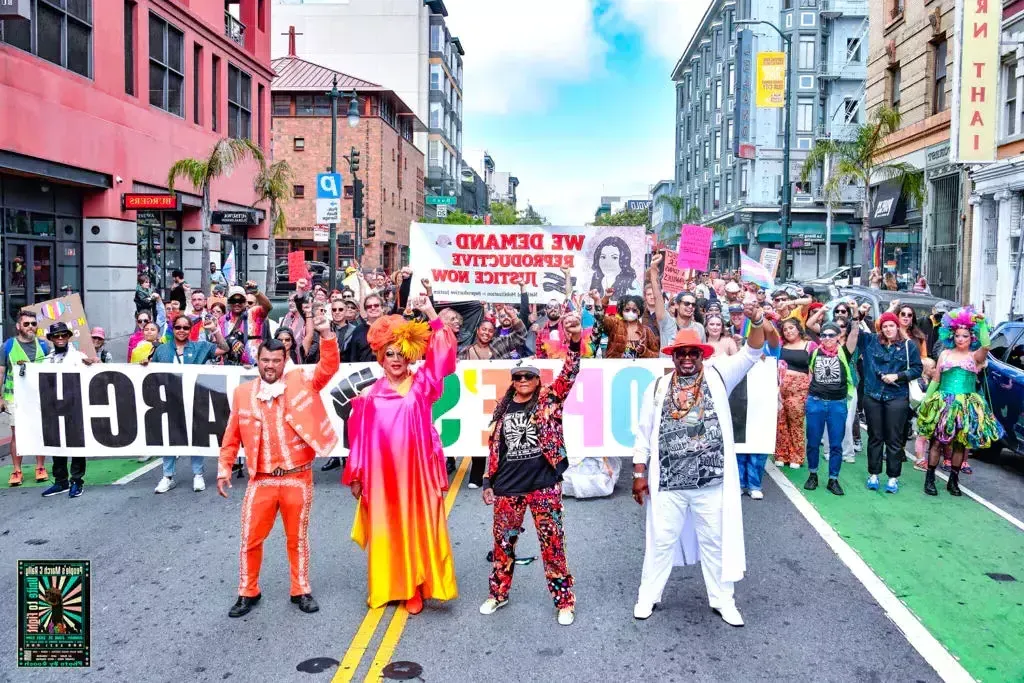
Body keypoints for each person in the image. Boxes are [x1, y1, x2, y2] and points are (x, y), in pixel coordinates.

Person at [631, 306, 768, 627]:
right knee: (660, 540)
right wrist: (639, 474)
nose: (687, 358)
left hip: (711, 481)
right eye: (681, 353)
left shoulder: (721, 375)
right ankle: (647, 596)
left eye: (693, 352)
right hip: (668, 482)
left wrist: (758, 321)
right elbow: (642, 434)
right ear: (673, 357)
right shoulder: (657, 387)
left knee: (714, 541)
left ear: (702, 355)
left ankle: (724, 601)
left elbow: (754, 350)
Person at [217, 311, 338, 618]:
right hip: (262, 479)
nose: (270, 366)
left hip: (297, 476)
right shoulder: (243, 393)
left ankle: (301, 590)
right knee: (250, 538)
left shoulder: (300, 380)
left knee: (297, 538)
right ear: (257, 361)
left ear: (285, 361)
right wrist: (224, 467)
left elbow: (328, 367)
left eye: (276, 360)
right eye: (265, 361)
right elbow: (231, 434)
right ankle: (248, 591)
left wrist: (326, 335)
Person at [343, 297, 458, 615]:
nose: (395, 359)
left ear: (409, 355)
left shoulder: (423, 384)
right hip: (382, 476)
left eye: (400, 354)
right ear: (381, 357)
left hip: (417, 473)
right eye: (389, 353)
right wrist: (357, 475)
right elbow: (360, 440)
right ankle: (391, 585)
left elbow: (444, 356)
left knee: (416, 525)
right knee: (388, 527)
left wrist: (431, 313)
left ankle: (416, 587)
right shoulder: (369, 395)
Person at [479, 312, 584, 626]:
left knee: (553, 546)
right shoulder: (502, 407)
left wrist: (575, 340)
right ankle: (498, 594)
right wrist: (487, 481)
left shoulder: (550, 399)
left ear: (538, 380)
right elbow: (495, 447)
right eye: (518, 376)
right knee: (503, 546)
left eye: (528, 376)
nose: (522, 381)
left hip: (543, 486)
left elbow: (571, 370)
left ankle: (564, 601)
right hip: (508, 489)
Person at [916, 308, 1001, 497]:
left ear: (971, 338)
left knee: (959, 444)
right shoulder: (945, 354)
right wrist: (927, 400)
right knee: (937, 442)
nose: (960, 339)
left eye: (964, 336)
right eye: (957, 336)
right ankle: (930, 478)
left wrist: (982, 323)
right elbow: (937, 379)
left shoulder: (975, 356)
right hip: (944, 403)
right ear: (951, 336)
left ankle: (953, 480)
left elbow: (986, 345)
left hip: (965, 405)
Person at [152, 314, 229, 494]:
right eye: (178, 327)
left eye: (186, 328)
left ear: (190, 330)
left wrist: (215, 330)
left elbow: (224, 348)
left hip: (195, 399)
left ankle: (198, 474)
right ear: (172, 328)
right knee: (170, 438)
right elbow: (152, 373)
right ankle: (167, 476)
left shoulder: (200, 347)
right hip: (170, 401)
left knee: (196, 436)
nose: (182, 331)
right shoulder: (162, 350)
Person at [858, 311, 922, 494]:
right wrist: (859, 313)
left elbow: (917, 369)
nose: (888, 329)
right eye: (885, 326)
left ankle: (893, 477)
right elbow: (852, 330)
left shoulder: (909, 346)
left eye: (891, 325)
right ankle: (874, 474)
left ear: (897, 326)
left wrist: (899, 376)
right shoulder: (871, 342)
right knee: (875, 436)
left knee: (894, 439)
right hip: (873, 395)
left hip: (897, 395)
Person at [804, 317, 861, 496]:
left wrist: (856, 317)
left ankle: (833, 479)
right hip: (816, 402)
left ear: (838, 336)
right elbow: (810, 375)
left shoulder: (844, 351)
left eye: (831, 335)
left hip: (837, 403)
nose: (827, 338)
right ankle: (813, 474)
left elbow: (854, 334)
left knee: (836, 444)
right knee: (813, 442)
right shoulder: (814, 353)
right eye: (823, 335)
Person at [40, 323, 94, 498]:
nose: (61, 338)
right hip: (54, 409)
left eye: (64, 335)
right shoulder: (46, 360)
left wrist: (91, 365)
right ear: (51, 338)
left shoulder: (79, 357)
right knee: (57, 445)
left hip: (75, 408)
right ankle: (60, 481)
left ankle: (77, 481)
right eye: (57, 336)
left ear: (69, 336)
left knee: (77, 445)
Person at [1, 310, 51, 486]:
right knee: (17, 434)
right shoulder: (7, 346)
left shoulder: (44, 346)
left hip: (38, 396)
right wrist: (0, 398)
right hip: (14, 397)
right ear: (18, 326)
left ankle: (40, 467)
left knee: (39, 431)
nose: (31, 327)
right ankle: (17, 471)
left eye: (33, 323)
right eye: (26, 323)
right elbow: (1, 372)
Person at [775, 319, 813, 470]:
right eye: (785, 329)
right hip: (780, 389)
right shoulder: (780, 346)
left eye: (792, 328)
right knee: (780, 421)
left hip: (800, 390)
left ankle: (796, 456)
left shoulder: (809, 345)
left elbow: (813, 368)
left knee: (796, 422)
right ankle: (781, 454)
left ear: (798, 329)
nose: (789, 331)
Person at [592, 290, 661, 359]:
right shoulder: (615, 324)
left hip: (640, 369)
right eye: (627, 310)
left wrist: (644, 351)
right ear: (622, 311)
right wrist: (603, 298)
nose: (631, 312)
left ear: (639, 312)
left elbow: (656, 355)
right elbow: (600, 318)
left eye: (634, 310)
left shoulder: (646, 331)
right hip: (615, 368)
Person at [220, 284, 271, 366]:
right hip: (230, 366)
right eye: (233, 300)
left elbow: (267, 307)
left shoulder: (254, 314)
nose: (237, 303)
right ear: (229, 301)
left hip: (254, 365)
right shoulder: (222, 320)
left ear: (245, 301)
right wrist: (231, 341)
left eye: (240, 300)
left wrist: (256, 292)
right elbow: (219, 342)